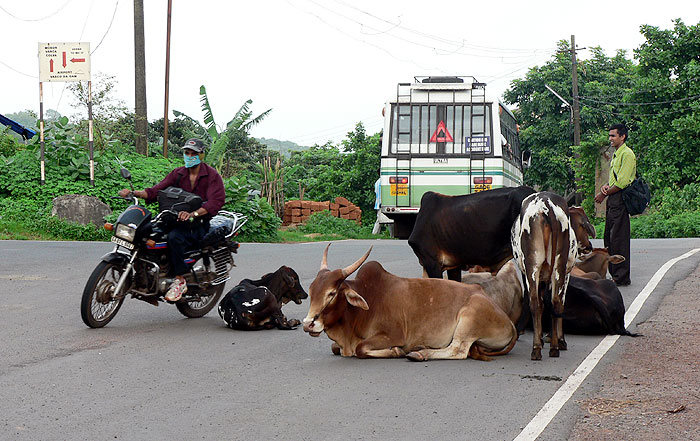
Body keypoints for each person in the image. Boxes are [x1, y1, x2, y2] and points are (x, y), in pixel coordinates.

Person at [118, 138, 226, 301]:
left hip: (197, 223)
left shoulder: (212, 176)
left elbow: (215, 202)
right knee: (147, 233)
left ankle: (180, 279)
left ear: (201, 155)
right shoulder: (178, 173)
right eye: (187, 153)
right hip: (172, 219)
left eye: (194, 153)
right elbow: (156, 191)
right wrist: (135, 193)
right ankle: (148, 272)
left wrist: (194, 214)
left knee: (175, 238)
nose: (190, 156)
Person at [594, 124, 636, 286]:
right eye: (610, 136)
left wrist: (603, 193)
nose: (610, 139)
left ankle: (622, 277)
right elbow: (615, 180)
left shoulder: (627, 154)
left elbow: (623, 182)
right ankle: (614, 273)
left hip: (619, 198)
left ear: (622, 137)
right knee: (609, 238)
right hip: (613, 198)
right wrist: (606, 185)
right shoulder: (617, 154)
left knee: (619, 239)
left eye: (613, 136)